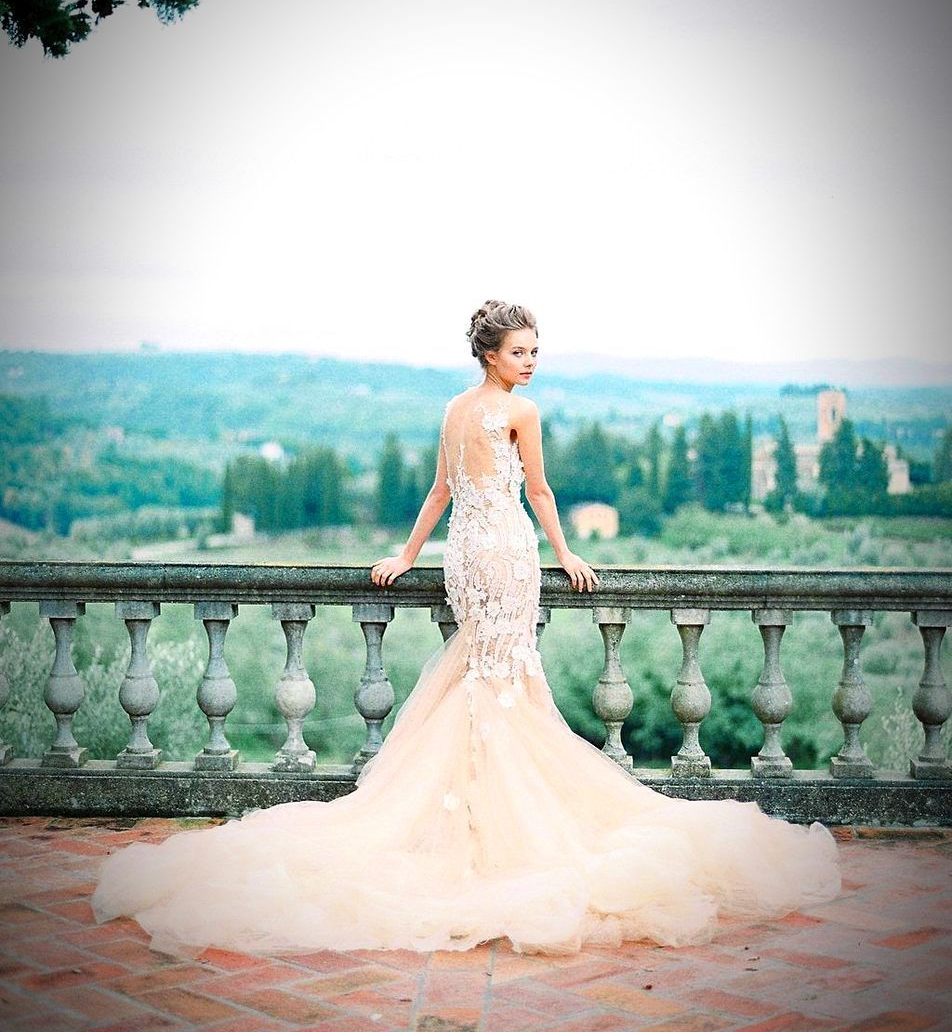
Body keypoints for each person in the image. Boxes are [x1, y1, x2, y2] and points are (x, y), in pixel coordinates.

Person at [91, 301, 841, 958]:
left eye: (537, 349)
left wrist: (410, 554)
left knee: (485, 677)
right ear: (491, 353)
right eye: (521, 351)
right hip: (506, 552)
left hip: (464, 555)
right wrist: (567, 553)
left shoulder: (454, 409)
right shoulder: (520, 413)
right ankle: (494, 827)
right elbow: (540, 490)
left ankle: (475, 816)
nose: (532, 361)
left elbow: (441, 491)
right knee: (507, 680)